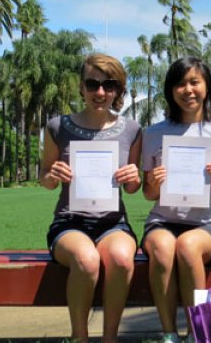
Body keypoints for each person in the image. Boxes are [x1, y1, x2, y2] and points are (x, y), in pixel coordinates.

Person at [141, 56, 211, 343]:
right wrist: (153, 183)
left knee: (188, 246)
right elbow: (147, 194)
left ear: (207, 87)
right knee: (164, 248)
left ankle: (197, 335)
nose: (187, 90)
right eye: (179, 83)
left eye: (194, 82)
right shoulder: (153, 134)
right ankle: (169, 334)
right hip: (163, 221)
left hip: (208, 226)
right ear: (170, 90)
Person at [40, 53, 142, 343]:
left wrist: (134, 178)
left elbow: (133, 188)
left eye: (109, 85)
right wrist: (53, 174)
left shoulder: (133, 130)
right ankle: (80, 338)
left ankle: (110, 338)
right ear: (81, 87)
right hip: (69, 223)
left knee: (123, 259)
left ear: (119, 90)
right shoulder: (57, 127)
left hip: (113, 223)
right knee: (86, 260)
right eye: (93, 83)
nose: (100, 92)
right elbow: (45, 179)